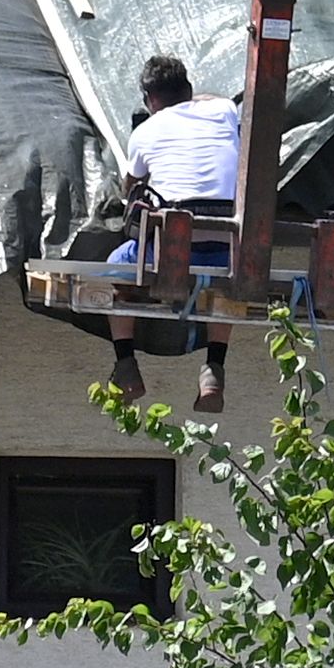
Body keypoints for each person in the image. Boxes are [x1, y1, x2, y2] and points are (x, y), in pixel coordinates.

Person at [108, 55, 239, 410]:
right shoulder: (224, 110)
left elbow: (131, 189)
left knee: (117, 265)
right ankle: (214, 368)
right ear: (189, 89)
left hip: (172, 254)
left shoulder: (145, 131)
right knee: (225, 285)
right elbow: (216, 99)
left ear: (150, 100)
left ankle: (125, 362)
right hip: (227, 249)